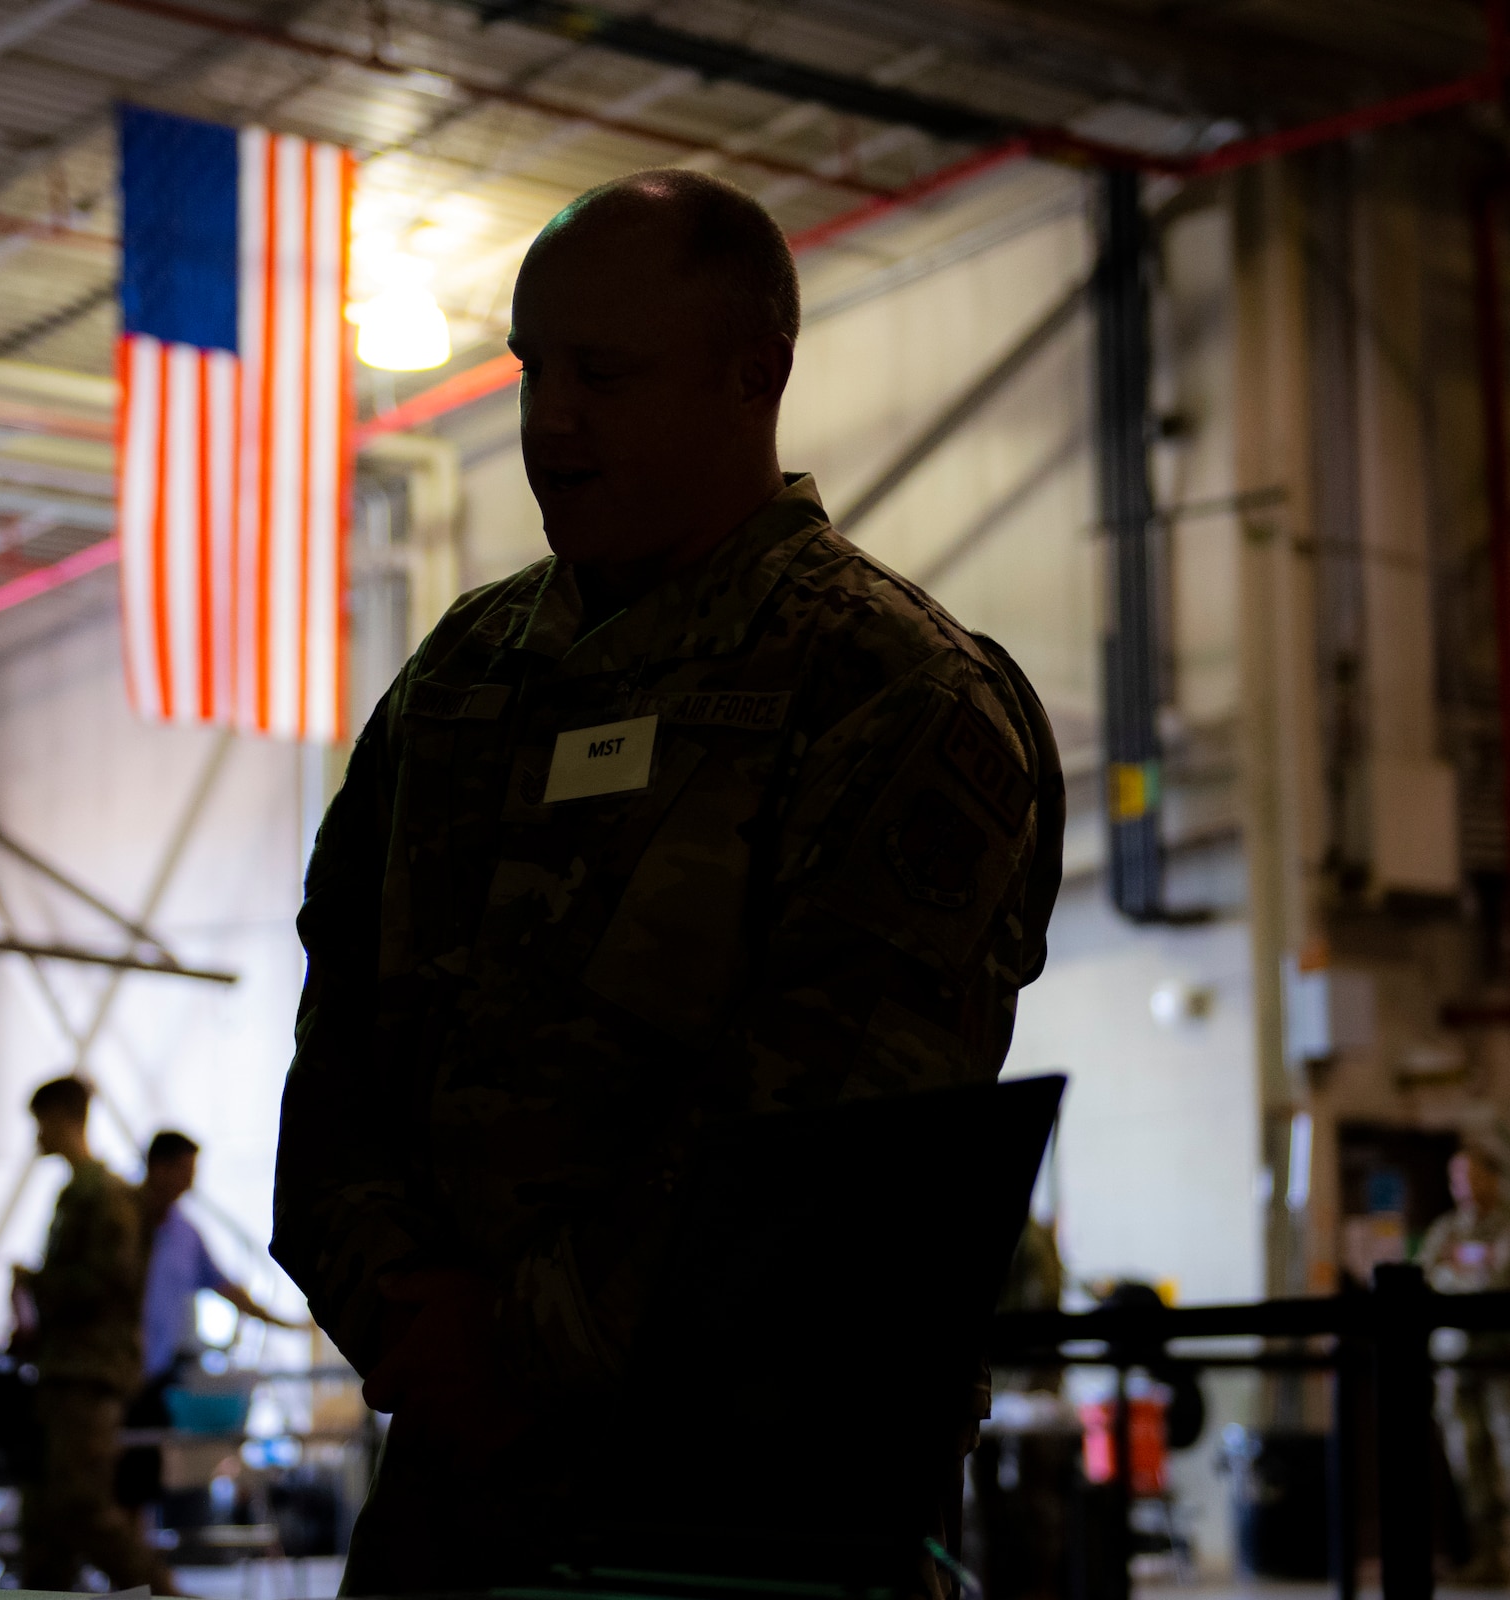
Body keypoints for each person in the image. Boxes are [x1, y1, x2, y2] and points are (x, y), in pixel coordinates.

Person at [271, 168, 1064, 1593]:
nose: (549, 422)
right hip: (452, 1500)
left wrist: (512, 1354)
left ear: (753, 376)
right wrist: (402, 1312)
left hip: (751, 1510)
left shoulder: (890, 692)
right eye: (533, 368)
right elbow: (337, 1057)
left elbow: (837, 1140)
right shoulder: (461, 680)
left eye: (605, 373)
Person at [14, 1075, 173, 1595]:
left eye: (42, 1123)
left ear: (64, 1118)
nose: (38, 1136)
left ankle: (161, 1594)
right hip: (66, 1372)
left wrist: (37, 1283)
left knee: (81, 1510)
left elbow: (109, 1282)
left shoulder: (102, 1197)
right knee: (45, 1523)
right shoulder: (77, 1196)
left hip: (89, 1374)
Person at [137, 1129, 300, 1386]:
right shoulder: (117, 1220)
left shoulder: (186, 1234)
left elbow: (224, 1286)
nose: (189, 1184)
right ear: (159, 1167)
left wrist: (280, 1322)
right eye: (183, 1172)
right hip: (112, 1366)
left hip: (159, 1373)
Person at [1420, 1137, 1510, 1582]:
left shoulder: (1506, 1226)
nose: (1463, 1186)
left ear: (1493, 1178)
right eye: (1456, 1177)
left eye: (1472, 1175)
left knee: (1507, 1457)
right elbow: (1424, 1279)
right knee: (1467, 1460)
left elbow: (1495, 1281)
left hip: (1501, 1363)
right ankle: (1486, 1557)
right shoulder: (1445, 1230)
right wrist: (1466, 1273)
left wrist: (1457, 1275)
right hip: (1455, 1366)